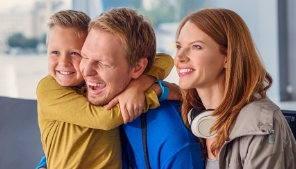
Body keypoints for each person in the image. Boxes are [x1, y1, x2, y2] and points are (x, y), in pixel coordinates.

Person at [37, 8, 204, 169]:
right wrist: (154, 91)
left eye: (102, 62)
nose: (85, 70)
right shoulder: (85, 91)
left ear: (138, 68)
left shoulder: (176, 144)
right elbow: (85, 132)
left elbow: (165, 59)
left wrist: (146, 87)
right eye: (85, 56)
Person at [174, 8, 296, 169]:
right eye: (179, 47)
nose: (179, 57)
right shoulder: (193, 114)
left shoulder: (261, 123)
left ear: (228, 57)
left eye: (196, 47)